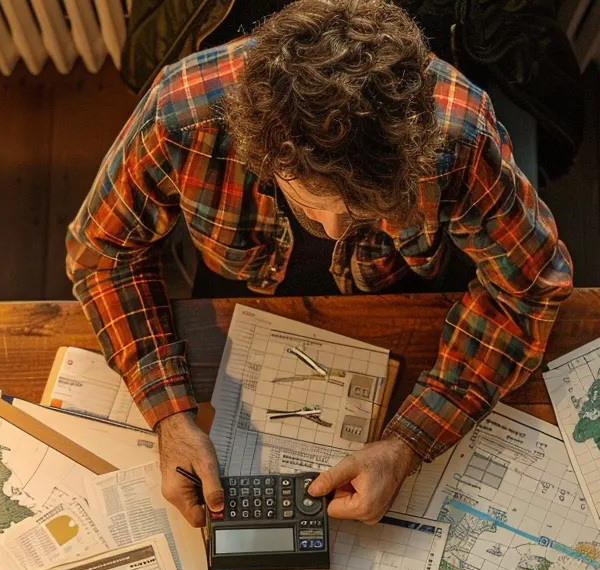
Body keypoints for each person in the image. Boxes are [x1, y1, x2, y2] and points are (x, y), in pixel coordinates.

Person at [66, 0, 572, 527]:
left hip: (404, 299)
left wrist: (407, 443)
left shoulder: (457, 134)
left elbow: (531, 284)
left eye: (366, 212)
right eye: (310, 203)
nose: (334, 232)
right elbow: (103, 255)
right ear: (261, 149)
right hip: (236, 289)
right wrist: (169, 413)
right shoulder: (181, 115)